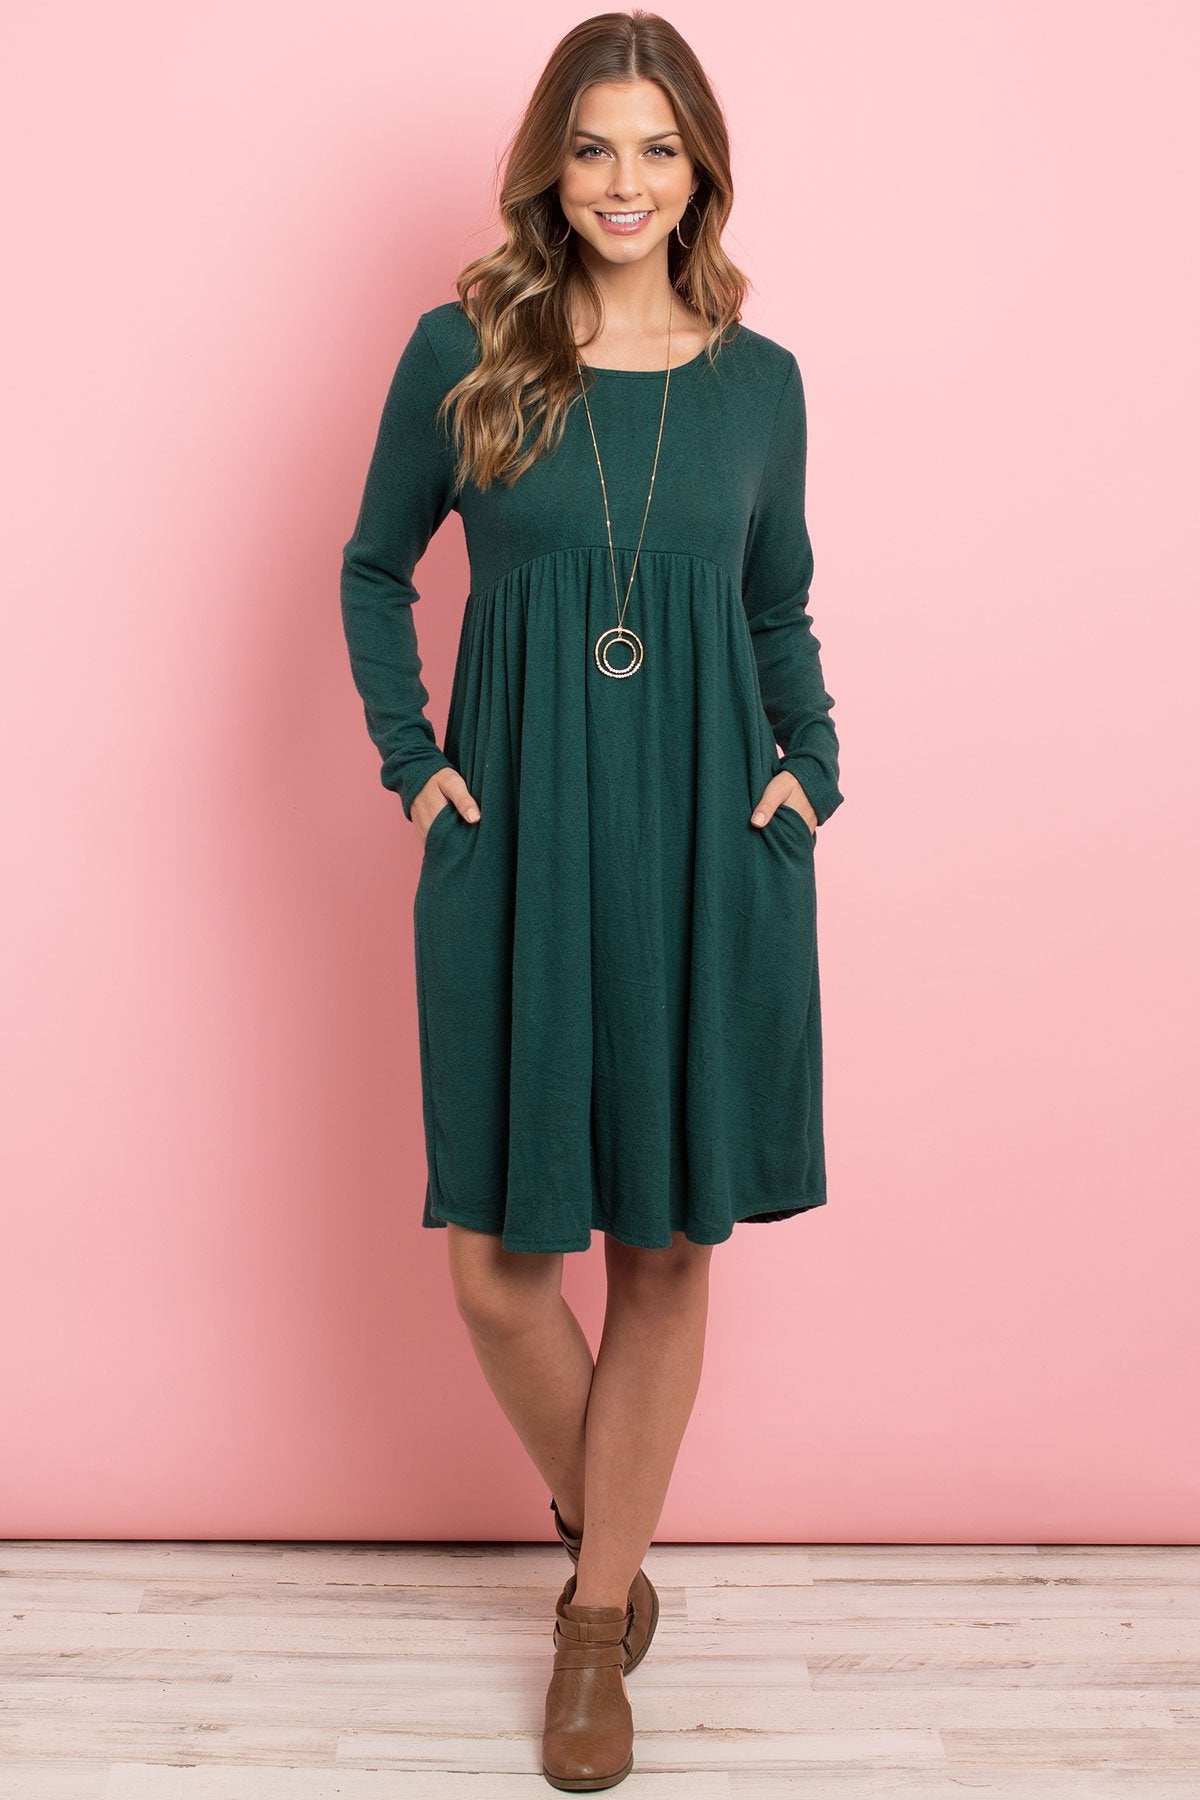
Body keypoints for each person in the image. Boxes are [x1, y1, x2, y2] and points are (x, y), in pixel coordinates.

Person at [340, 12, 843, 1790]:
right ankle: (608, 1525)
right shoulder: (464, 348)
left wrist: (813, 767)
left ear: (700, 169)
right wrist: (416, 763)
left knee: (665, 1244)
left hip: (707, 834)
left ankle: (591, 1626)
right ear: (551, 167)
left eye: (657, 148)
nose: (625, 182)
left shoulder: (761, 381)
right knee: (498, 1266)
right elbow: (374, 566)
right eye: (593, 147)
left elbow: (776, 605)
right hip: (520, 835)